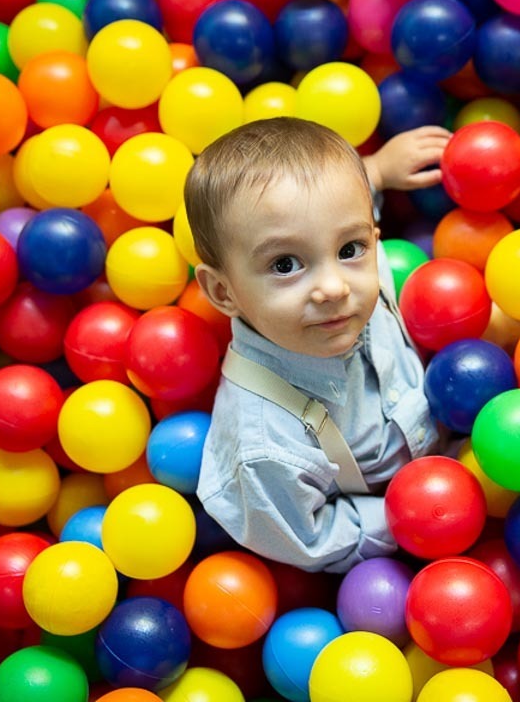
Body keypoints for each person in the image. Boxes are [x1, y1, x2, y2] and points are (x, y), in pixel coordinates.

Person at [186, 119, 450, 573]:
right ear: (224, 292)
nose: (333, 287)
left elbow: (331, 207)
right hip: (414, 522)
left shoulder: (333, 263)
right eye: (286, 264)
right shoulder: (264, 444)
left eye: (350, 249)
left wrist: (379, 172)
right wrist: (412, 513)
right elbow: (312, 537)